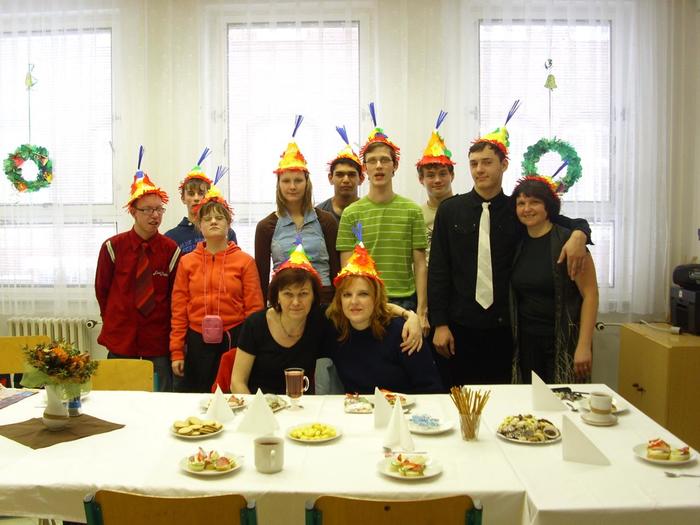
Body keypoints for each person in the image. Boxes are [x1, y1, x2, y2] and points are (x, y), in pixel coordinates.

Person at [428, 101, 592, 386]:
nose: (479, 169)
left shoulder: (518, 210)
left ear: (504, 165)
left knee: (505, 398)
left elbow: (561, 221)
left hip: (507, 329)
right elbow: (439, 269)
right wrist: (440, 323)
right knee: (458, 399)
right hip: (459, 327)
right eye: (474, 164)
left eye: (487, 162)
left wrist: (580, 234)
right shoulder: (450, 210)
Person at [231, 241, 423, 395]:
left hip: (303, 408)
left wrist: (409, 315)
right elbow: (237, 382)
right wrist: (258, 414)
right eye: (288, 294)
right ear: (277, 296)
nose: (296, 302)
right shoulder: (256, 324)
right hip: (260, 408)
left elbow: (364, 307)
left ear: (314, 296)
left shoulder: (320, 319)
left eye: (304, 294)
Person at [170, 171, 264, 393]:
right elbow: (179, 310)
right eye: (207, 218)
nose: (213, 221)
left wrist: (253, 349)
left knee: (232, 398)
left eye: (219, 217)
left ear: (228, 223)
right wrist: (176, 351)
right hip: (196, 342)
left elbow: (254, 310)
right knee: (198, 401)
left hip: (234, 339)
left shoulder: (245, 262)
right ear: (199, 224)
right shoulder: (187, 262)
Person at [337, 103, 428, 331]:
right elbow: (347, 268)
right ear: (365, 169)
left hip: (405, 301)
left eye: (385, 160)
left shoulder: (412, 210)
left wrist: (422, 310)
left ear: (394, 166)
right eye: (372, 161)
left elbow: (420, 264)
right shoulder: (351, 213)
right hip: (365, 301)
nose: (379, 166)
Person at [95, 147, 180, 392]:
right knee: (117, 398)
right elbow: (102, 291)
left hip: (157, 342)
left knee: (160, 398)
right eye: (148, 210)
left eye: (159, 209)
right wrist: (116, 320)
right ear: (133, 211)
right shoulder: (112, 247)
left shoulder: (171, 250)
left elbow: (175, 297)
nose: (155, 215)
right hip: (121, 339)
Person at [326, 227, 443, 394]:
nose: (354, 301)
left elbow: (431, 389)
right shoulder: (335, 330)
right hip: (356, 409)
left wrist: (410, 316)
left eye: (363, 294)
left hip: (404, 408)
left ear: (376, 298)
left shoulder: (404, 333)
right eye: (347, 295)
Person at [510, 175, 598, 383]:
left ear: (548, 206)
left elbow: (591, 295)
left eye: (534, 202)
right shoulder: (518, 242)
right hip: (527, 343)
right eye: (521, 203)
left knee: (564, 399)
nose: (527, 209)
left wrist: (584, 346)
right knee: (530, 400)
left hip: (563, 341)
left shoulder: (570, 243)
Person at [255, 115, 339, 304]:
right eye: (286, 181)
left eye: (298, 180)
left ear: (307, 183)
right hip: (285, 304)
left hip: (324, 302)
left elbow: (337, 271)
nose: (292, 186)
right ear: (278, 184)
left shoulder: (326, 221)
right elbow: (261, 280)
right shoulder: (265, 227)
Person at [165, 147, 237, 254]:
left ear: (208, 196)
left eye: (201, 193)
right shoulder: (171, 237)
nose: (196, 198)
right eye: (191, 194)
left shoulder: (225, 232)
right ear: (183, 198)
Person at [416, 111, 456, 266]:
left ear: (452, 175)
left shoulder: (464, 209)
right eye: (431, 175)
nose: (437, 180)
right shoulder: (417, 215)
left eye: (443, 174)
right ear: (421, 179)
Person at [317, 126, 364, 222]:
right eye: (340, 174)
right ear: (330, 178)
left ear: (361, 179)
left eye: (351, 174)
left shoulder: (369, 212)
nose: (346, 180)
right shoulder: (318, 214)